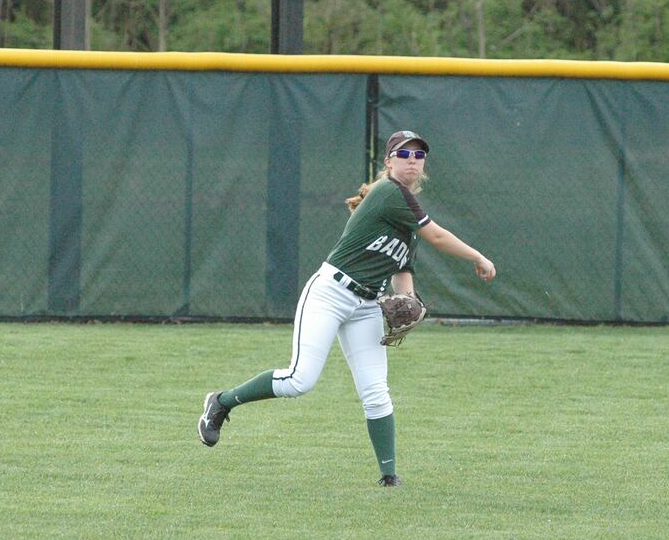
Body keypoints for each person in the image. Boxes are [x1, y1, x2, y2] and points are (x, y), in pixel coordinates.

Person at [197, 129, 497, 486]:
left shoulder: (407, 221)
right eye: (404, 154)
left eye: (419, 155)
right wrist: (477, 257)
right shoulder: (390, 193)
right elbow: (437, 235)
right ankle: (222, 402)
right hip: (330, 293)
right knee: (299, 380)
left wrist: (408, 303)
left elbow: (402, 270)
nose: (412, 160)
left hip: (367, 305)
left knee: (375, 391)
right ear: (389, 162)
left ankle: (389, 477)